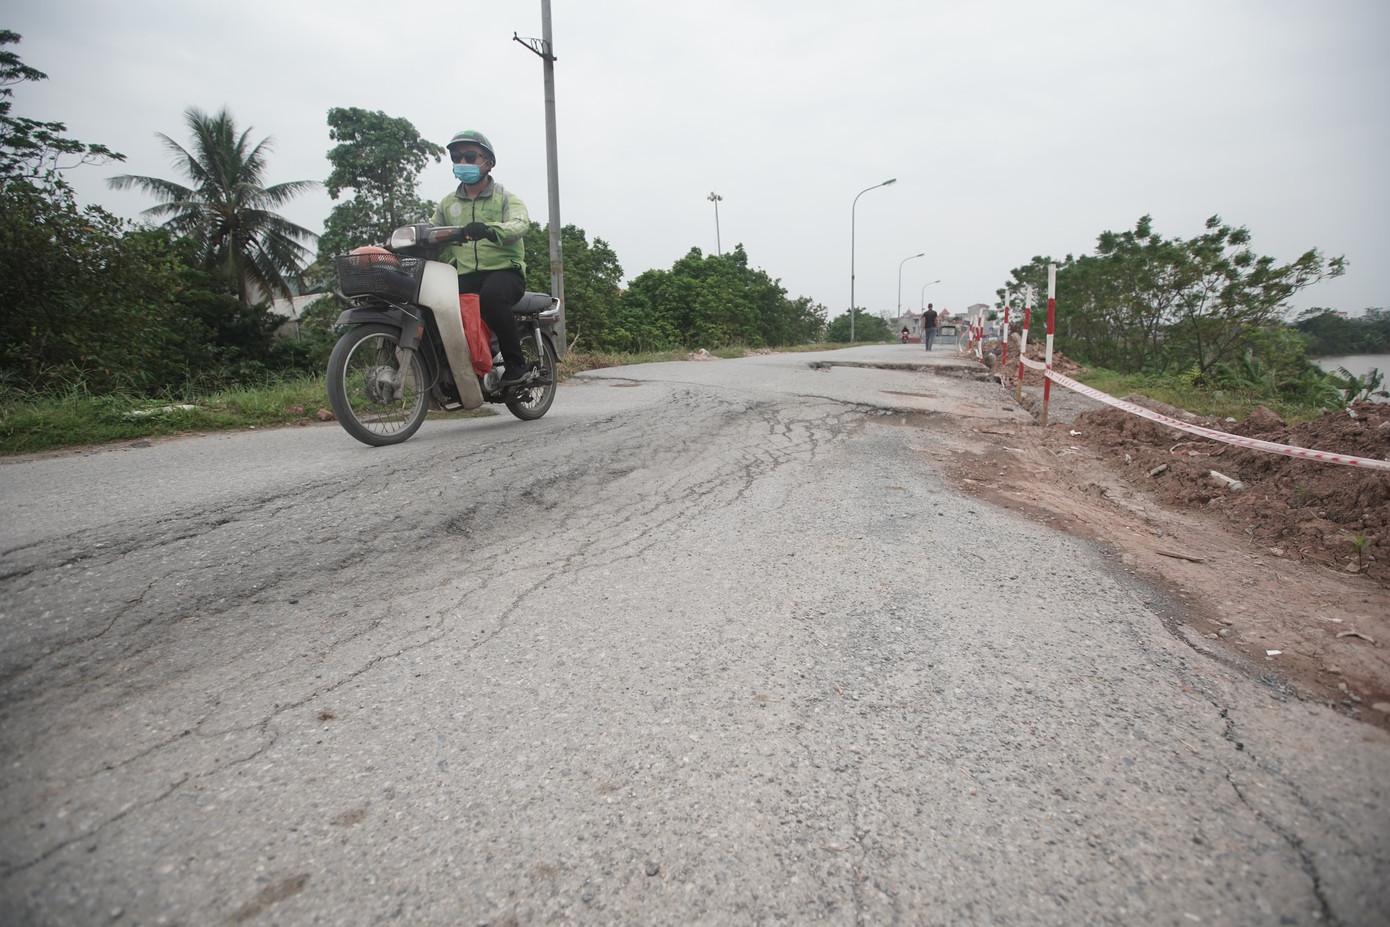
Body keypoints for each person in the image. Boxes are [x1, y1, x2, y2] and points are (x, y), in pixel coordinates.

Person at [432, 130, 532, 387]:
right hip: (465, 273)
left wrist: (490, 230)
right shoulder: (447, 204)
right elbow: (431, 231)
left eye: (469, 156)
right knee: (436, 304)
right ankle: (450, 369)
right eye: (456, 157)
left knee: (491, 297)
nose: (462, 162)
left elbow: (519, 224)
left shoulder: (505, 198)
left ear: (488, 162)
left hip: (504, 271)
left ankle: (516, 365)